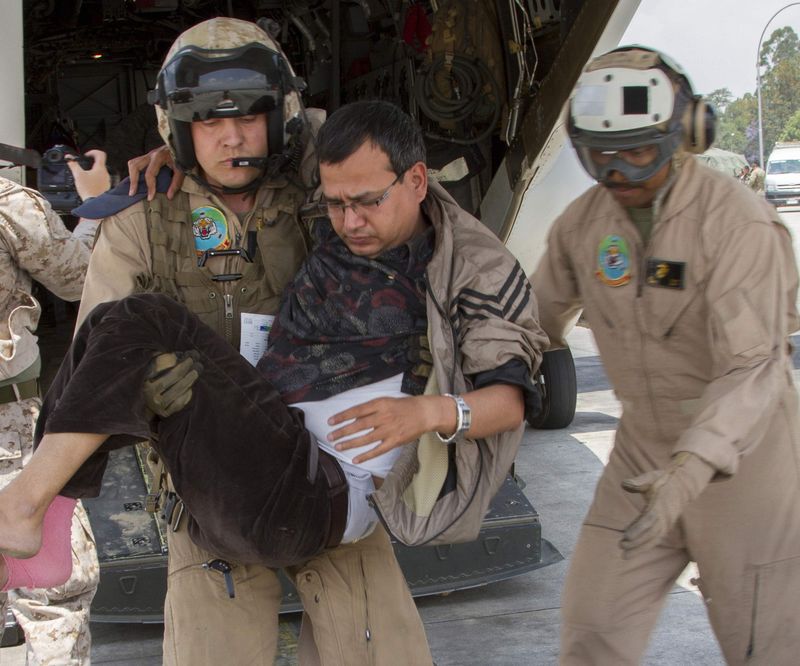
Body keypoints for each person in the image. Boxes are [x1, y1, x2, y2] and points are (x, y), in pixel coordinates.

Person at [0, 99, 545, 658]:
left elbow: (511, 402)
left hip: (318, 497)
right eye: (335, 204)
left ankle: (22, 509)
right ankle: (46, 516)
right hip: (271, 451)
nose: (350, 221)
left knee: (146, 319)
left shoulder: (474, 267)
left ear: (417, 180)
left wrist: (429, 413)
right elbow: (277, 124)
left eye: (367, 202)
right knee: (109, 325)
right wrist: (184, 152)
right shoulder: (331, 190)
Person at [69, 17, 432, 665]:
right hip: (210, 505)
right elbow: (93, 362)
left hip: (337, 480)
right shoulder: (142, 219)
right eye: (206, 120)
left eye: (249, 116)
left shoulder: (332, 187)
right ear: (177, 128)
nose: (231, 136)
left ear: (281, 116)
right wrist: (143, 393)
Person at [533, 45, 800, 665]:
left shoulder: (740, 226)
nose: (619, 174)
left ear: (685, 135)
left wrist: (689, 471)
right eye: (599, 157)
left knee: (770, 647)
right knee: (593, 628)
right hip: (642, 449)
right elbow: (532, 320)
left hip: (746, 462)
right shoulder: (583, 224)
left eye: (638, 153)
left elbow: (751, 370)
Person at [0, 154, 109, 662]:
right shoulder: (7, 204)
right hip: (9, 432)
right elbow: (82, 277)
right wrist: (94, 206)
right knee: (53, 597)